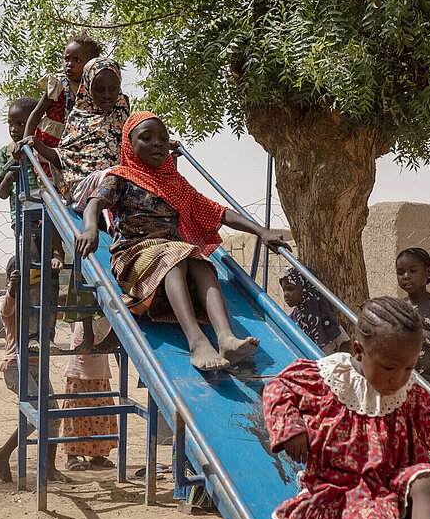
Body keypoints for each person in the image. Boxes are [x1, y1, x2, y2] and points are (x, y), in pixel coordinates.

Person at [75, 111, 291, 371]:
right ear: (129, 146)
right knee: (177, 257)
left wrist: (261, 231)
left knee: (200, 262)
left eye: (163, 138)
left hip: (175, 256)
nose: (157, 143)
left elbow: (217, 211)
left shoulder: (175, 183)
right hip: (133, 258)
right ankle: (197, 342)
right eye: (147, 138)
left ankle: (226, 338)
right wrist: (90, 229)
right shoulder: (121, 178)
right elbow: (94, 204)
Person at [263, 296, 430, 519]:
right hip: (347, 487)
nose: (399, 378)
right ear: (359, 351)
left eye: (408, 368)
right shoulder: (328, 379)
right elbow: (278, 387)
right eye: (390, 368)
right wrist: (292, 428)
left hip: (395, 478)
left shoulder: (409, 394)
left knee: (427, 480)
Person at [18, 57, 129, 353]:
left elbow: (134, 148)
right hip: (85, 189)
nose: (107, 95)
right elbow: (64, 157)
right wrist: (34, 144)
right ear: (87, 89)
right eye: (99, 89)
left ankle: (126, 322)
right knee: (113, 176)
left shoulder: (124, 116)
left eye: (113, 88)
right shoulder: (78, 119)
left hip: (119, 188)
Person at [0, 258, 70, 484]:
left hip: (37, 366)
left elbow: (60, 311)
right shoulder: (8, 300)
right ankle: (4, 453)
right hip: (16, 365)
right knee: (39, 415)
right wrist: (13, 290)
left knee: (51, 417)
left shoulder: (40, 302)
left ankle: (46, 467)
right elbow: (6, 308)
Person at [0, 97, 62, 353]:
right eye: (11, 123)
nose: (14, 128)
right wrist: (11, 174)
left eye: (21, 123)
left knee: (51, 277)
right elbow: (2, 193)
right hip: (23, 219)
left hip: (49, 215)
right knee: (32, 274)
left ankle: (48, 335)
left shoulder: (41, 148)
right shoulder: (7, 151)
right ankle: (32, 335)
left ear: (35, 124)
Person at [23, 31, 101, 198]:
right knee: (51, 187)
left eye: (77, 60)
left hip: (74, 147)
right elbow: (36, 114)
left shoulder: (95, 89)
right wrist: (25, 141)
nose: (69, 65)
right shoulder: (58, 84)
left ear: (92, 65)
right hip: (50, 143)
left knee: (75, 183)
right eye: (67, 59)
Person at [60, 319, 118, 471]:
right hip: (77, 373)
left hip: (100, 375)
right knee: (74, 416)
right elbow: (60, 310)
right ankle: (72, 455)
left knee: (99, 418)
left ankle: (98, 455)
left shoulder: (106, 316)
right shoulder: (78, 316)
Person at [396, 247, 430, 402]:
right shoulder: (397, 307)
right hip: (402, 379)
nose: (406, 277)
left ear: (428, 273)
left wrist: (416, 331)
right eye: (401, 272)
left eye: (412, 271)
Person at [279, 267, 350, 354]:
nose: (286, 295)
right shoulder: (292, 319)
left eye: (290, 289)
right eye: (284, 290)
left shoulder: (323, 316)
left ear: (305, 288)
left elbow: (344, 341)